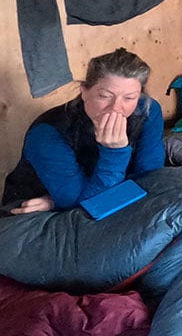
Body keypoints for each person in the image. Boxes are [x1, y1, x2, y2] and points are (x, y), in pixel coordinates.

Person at [3, 47, 165, 214]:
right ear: (84, 91)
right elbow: (85, 205)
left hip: (82, 202)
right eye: (105, 96)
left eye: (129, 98)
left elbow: (151, 178)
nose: (116, 108)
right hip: (34, 212)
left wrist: (54, 202)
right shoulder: (48, 133)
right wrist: (114, 153)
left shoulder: (147, 111)